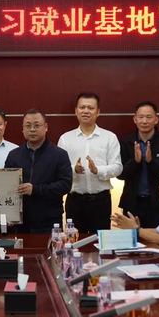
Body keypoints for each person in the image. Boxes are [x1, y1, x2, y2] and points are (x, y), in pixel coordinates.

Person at [58, 93, 122, 233]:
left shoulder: (109, 137)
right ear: (76, 111)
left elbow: (117, 167)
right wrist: (74, 169)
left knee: (100, 241)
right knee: (74, 241)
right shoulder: (65, 139)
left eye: (90, 108)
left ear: (98, 112)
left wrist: (97, 170)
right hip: (75, 201)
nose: (86, 111)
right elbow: (59, 170)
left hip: (101, 201)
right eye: (82, 107)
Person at [4, 109, 72, 233]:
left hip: (49, 221)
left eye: (36, 125)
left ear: (46, 127)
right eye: (28, 126)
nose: (32, 130)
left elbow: (65, 185)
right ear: (22, 129)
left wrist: (35, 189)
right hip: (21, 222)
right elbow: (6, 187)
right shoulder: (14, 155)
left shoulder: (59, 155)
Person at [119, 101, 159, 227]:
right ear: (135, 119)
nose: (144, 121)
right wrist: (135, 162)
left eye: (148, 117)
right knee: (130, 239)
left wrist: (151, 162)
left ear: (156, 120)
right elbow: (120, 174)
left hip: (157, 204)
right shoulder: (126, 142)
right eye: (141, 117)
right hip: (131, 204)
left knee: (156, 238)